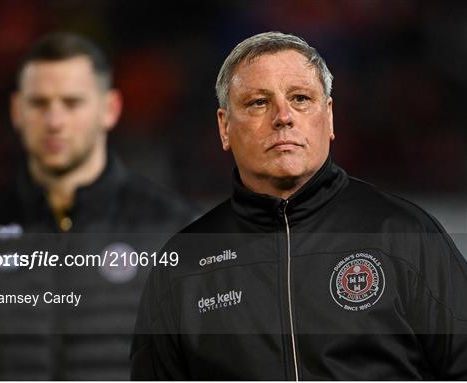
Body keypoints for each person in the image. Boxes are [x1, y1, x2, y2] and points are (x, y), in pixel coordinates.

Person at [130, 31, 467, 380]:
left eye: (301, 98)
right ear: (224, 127)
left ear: (330, 116)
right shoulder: (183, 266)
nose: (283, 116)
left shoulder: (406, 235)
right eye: (258, 102)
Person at [0, 32, 196, 380]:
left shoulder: (173, 231)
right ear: (16, 111)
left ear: (109, 108)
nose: (55, 121)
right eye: (40, 103)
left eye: (72, 103)